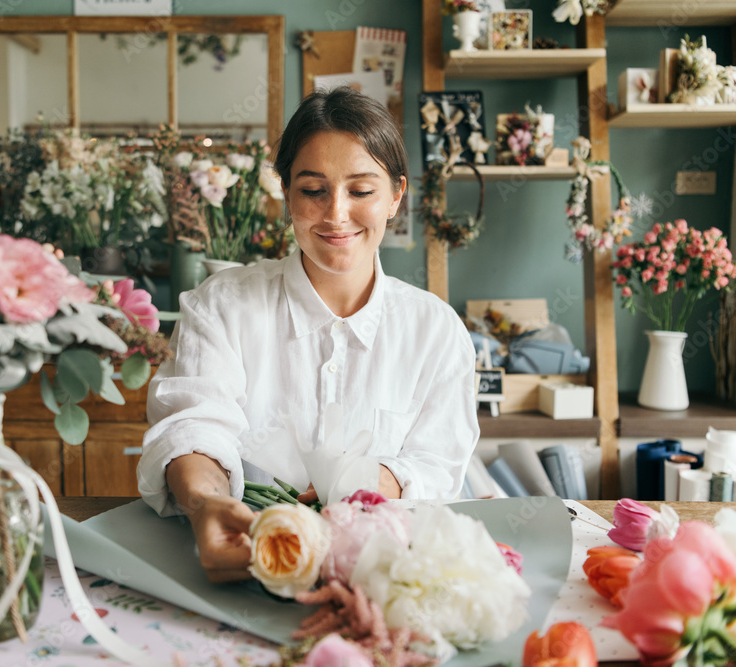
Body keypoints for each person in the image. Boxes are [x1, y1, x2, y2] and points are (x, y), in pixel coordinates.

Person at [137, 87, 479, 583]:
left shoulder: (435, 331)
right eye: (313, 190)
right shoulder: (222, 305)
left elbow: (438, 463)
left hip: (377, 574)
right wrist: (207, 503)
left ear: (396, 197)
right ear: (285, 191)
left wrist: (370, 484)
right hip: (243, 562)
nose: (336, 215)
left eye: (361, 191)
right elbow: (194, 426)